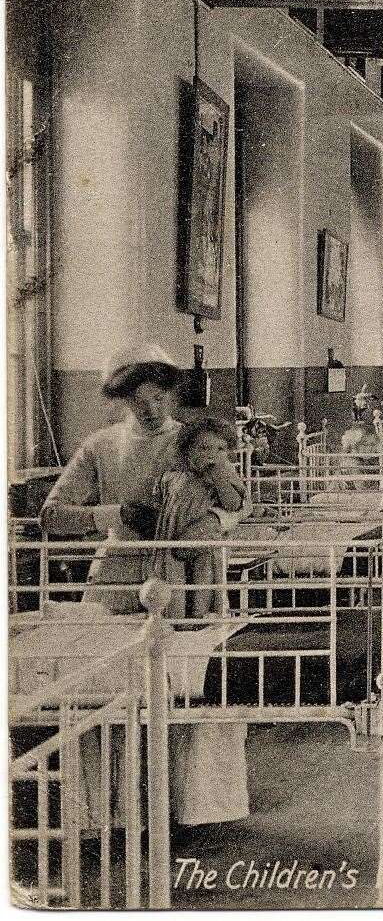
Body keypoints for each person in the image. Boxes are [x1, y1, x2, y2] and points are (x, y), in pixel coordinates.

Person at [40, 344, 250, 829]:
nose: (151, 409)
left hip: (181, 578)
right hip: (116, 579)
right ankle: (108, 812)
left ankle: (184, 808)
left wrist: (207, 524)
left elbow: (238, 502)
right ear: (122, 401)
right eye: (139, 400)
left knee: (178, 689)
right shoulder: (100, 446)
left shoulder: (193, 439)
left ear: (171, 395)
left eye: (159, 397)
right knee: (109, 692)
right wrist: (112, 514)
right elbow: (52, 514)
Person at [153, 416, 248, 619]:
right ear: (187, 450)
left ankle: (199, 621)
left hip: (204, 535)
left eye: (220, 449)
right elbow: (159, 501)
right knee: (172, 579)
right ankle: (174, 619)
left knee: (203, 578)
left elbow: (234, 504)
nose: (212, 455)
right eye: (204, 448)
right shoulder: (173, 473)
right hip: (172, 532)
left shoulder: (222, 473)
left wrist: (219, 480)